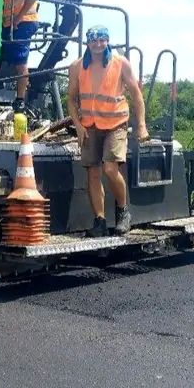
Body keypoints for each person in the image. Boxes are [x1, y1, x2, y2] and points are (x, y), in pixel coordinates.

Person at [67, 26, 149, 237]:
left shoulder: (120, 63)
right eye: (94, 40)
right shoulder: (77, 67)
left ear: (107, 41)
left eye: (102, 40)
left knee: (110, 169)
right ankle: (100, 221)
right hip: (89, 126)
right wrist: (78, 125)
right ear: (87, 43)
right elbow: (71, 99)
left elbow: (136, 95)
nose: (98, 44)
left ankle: (123, 211)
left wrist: (141, 125)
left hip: (115, 123)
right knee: (92, 173)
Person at [1, 0, 40, 112]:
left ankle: (20, 99)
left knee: (20, 61)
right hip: (12, 25)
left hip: (23, 24)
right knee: (9, 58)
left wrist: (18, 18)